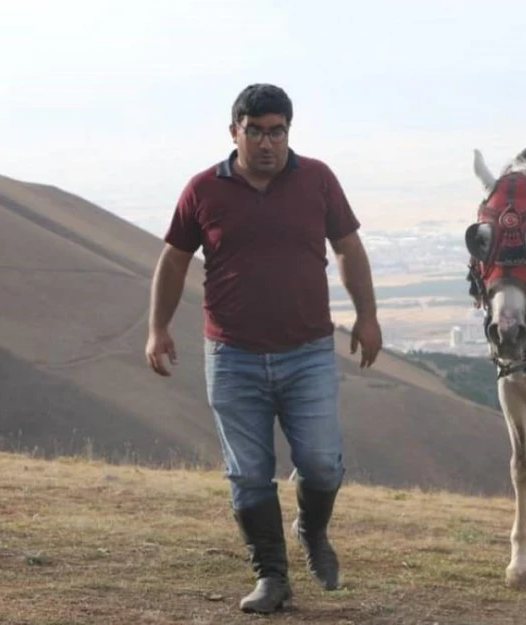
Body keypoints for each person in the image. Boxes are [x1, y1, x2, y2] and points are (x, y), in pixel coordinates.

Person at [144, 83, 382, 614]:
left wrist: (367, 316)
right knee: (248, 473)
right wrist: (157, 327)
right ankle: (271, 576)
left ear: (288, 132)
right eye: (256, 131)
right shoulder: (204, 189)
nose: (268, 142)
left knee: (321, 464)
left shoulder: (317, 179)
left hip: (308, 353)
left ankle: (311, 531)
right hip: (232, 357)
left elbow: (347, 248)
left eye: (277, 131)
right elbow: (174, 260)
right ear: (235, 132)